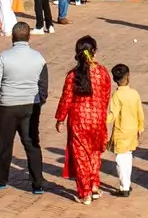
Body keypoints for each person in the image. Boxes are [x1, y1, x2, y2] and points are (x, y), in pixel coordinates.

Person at [0, 21, 49, 191]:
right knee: (32, 144)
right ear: (29, 37)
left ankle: (0, 180)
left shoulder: (4, 57)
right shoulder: (39, 58)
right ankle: (38, 184)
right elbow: (44, 85)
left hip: (8, 107)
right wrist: (39, 102)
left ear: (13, 37)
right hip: (31, 106)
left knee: (5, 145)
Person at [54, 35, 113, 205]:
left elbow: (66, 98)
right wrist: (100, 114)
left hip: (79, 121)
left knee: (81, 158)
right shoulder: (102, 72)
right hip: (97, 119)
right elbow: (106, 96)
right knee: (94, 154)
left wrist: (60, 118)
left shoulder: (73, 75)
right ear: (94, 51)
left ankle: (85, 193)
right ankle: (94, 185)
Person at [107, 63, 143, 196]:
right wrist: (140, 127)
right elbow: (140, 112)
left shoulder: (117, 95)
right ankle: (127, 183)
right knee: (128, 157)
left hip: (121, 131)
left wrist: (101, 119)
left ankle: (124, 187)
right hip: (133, 130)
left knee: (120, 159)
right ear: (128, 77)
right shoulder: (134, 93)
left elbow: (113, 115)